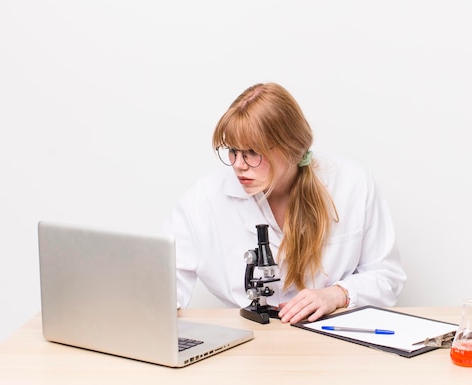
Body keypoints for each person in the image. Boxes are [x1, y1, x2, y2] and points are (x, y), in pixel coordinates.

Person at [162, 82, 406, 324]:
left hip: (334, 343)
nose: (239, 164)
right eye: (233, 150)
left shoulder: (353, 185)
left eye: (252, 152)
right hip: (250, 343)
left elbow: (388, 277)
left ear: (291, 148)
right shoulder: (205, 198)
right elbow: (163, 282)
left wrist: (337, 294)